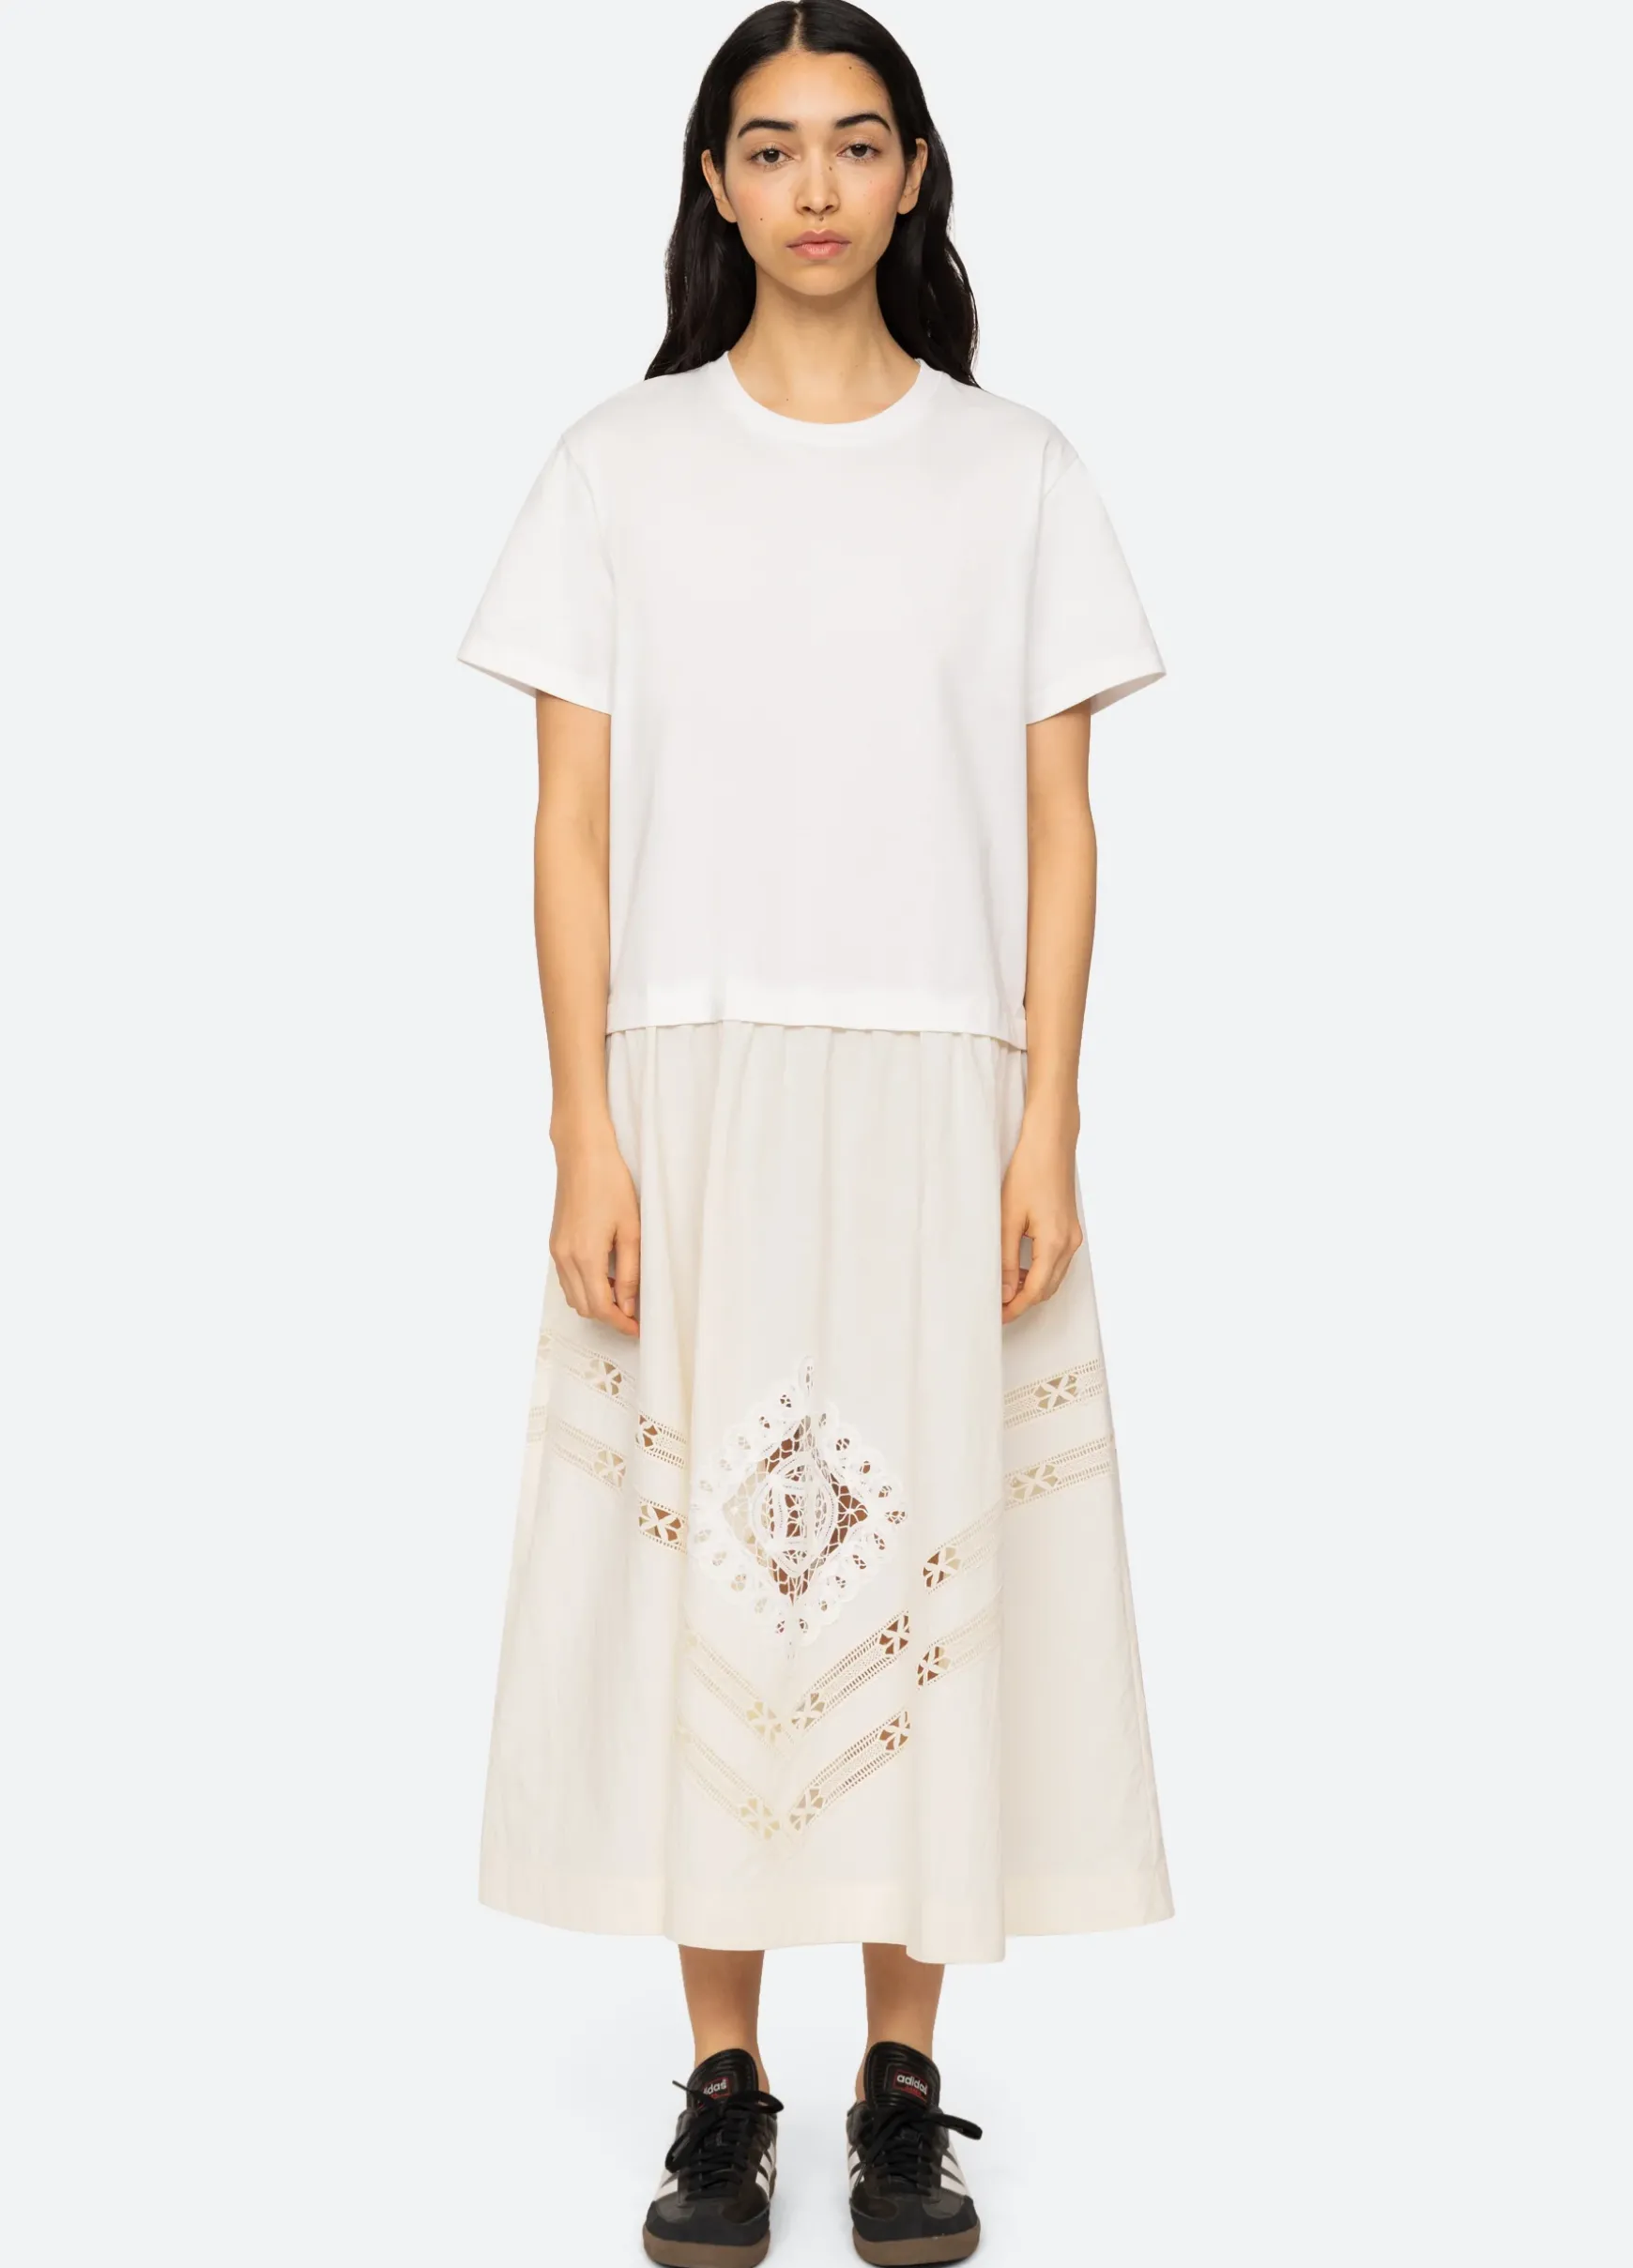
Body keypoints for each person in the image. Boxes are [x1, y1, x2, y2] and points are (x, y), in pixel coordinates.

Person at [455, 6, 1173, 2260]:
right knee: (715, 1569)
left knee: (924, 1551)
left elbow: (1061, 826)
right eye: (770, 148)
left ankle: (902, 2076)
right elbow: (571, 826)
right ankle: (725, 2077)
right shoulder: (616, 465)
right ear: (716, 184)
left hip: (938, 1083)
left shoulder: (1017, 471)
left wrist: (1050, 1118)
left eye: (858, 144)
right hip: (693, 1082)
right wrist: (583, 1127)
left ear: (917, 172)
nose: (818, 188)